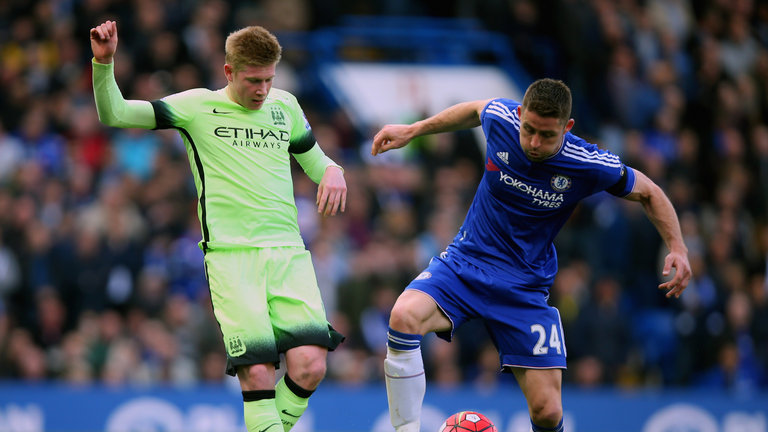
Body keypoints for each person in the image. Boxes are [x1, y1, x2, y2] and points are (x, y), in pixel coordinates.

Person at [371, 79, 691, 432]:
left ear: (566, 128)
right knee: (403, 316)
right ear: (520, 114)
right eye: (529, 129)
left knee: (548, 412)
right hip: (465, 264)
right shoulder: (503, 119)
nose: (534, 142)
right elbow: (476, 109)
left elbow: (649, 192)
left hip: (523, 288)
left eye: (546, 135)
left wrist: (677, 247)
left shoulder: (587, 162)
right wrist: (414, 130)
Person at [90, 21, 346, 432]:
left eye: (269, 79)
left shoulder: (286, 107)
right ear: (228, 72)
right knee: (259, 374)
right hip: (232, 258)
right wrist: (104, 64)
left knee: (311, 365)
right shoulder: (196, 107)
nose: (262, 90)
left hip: (288, 254)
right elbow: (116, 113)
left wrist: (333, 170)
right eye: (253, 80)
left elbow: (315, 160)